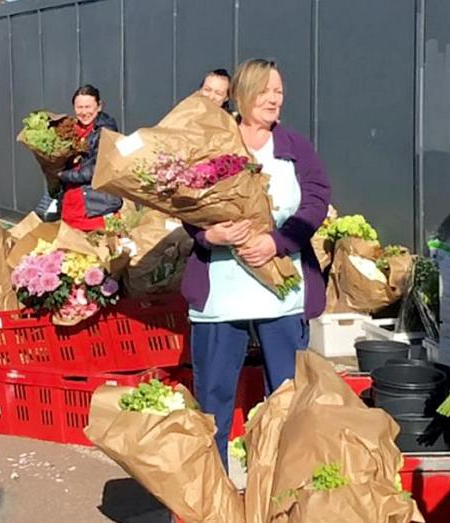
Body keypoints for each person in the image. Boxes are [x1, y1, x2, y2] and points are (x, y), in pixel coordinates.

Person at [182, 59, 331, 468]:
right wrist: (209, 235)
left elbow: (316, 200)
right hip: (221, 291)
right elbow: (185, 200)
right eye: (265, 90)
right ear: (243, 94)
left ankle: (276, 482)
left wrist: (277, 242)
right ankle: (212, 488)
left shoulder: (296, 146)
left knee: (285, 396)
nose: (274, 99)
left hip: (281, 289)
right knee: (213, 396)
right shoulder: (213, 141)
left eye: (279, 91)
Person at [56, 85, 122, 231]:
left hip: (96, 206)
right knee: (73, 249)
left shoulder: (106, 130)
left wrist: (62, 175)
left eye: (88, 107)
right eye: (79, 107)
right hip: (72, 203)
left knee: (99, 248)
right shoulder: (71, 129)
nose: (84, 112)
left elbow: (95, 169)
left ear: (99, 106)